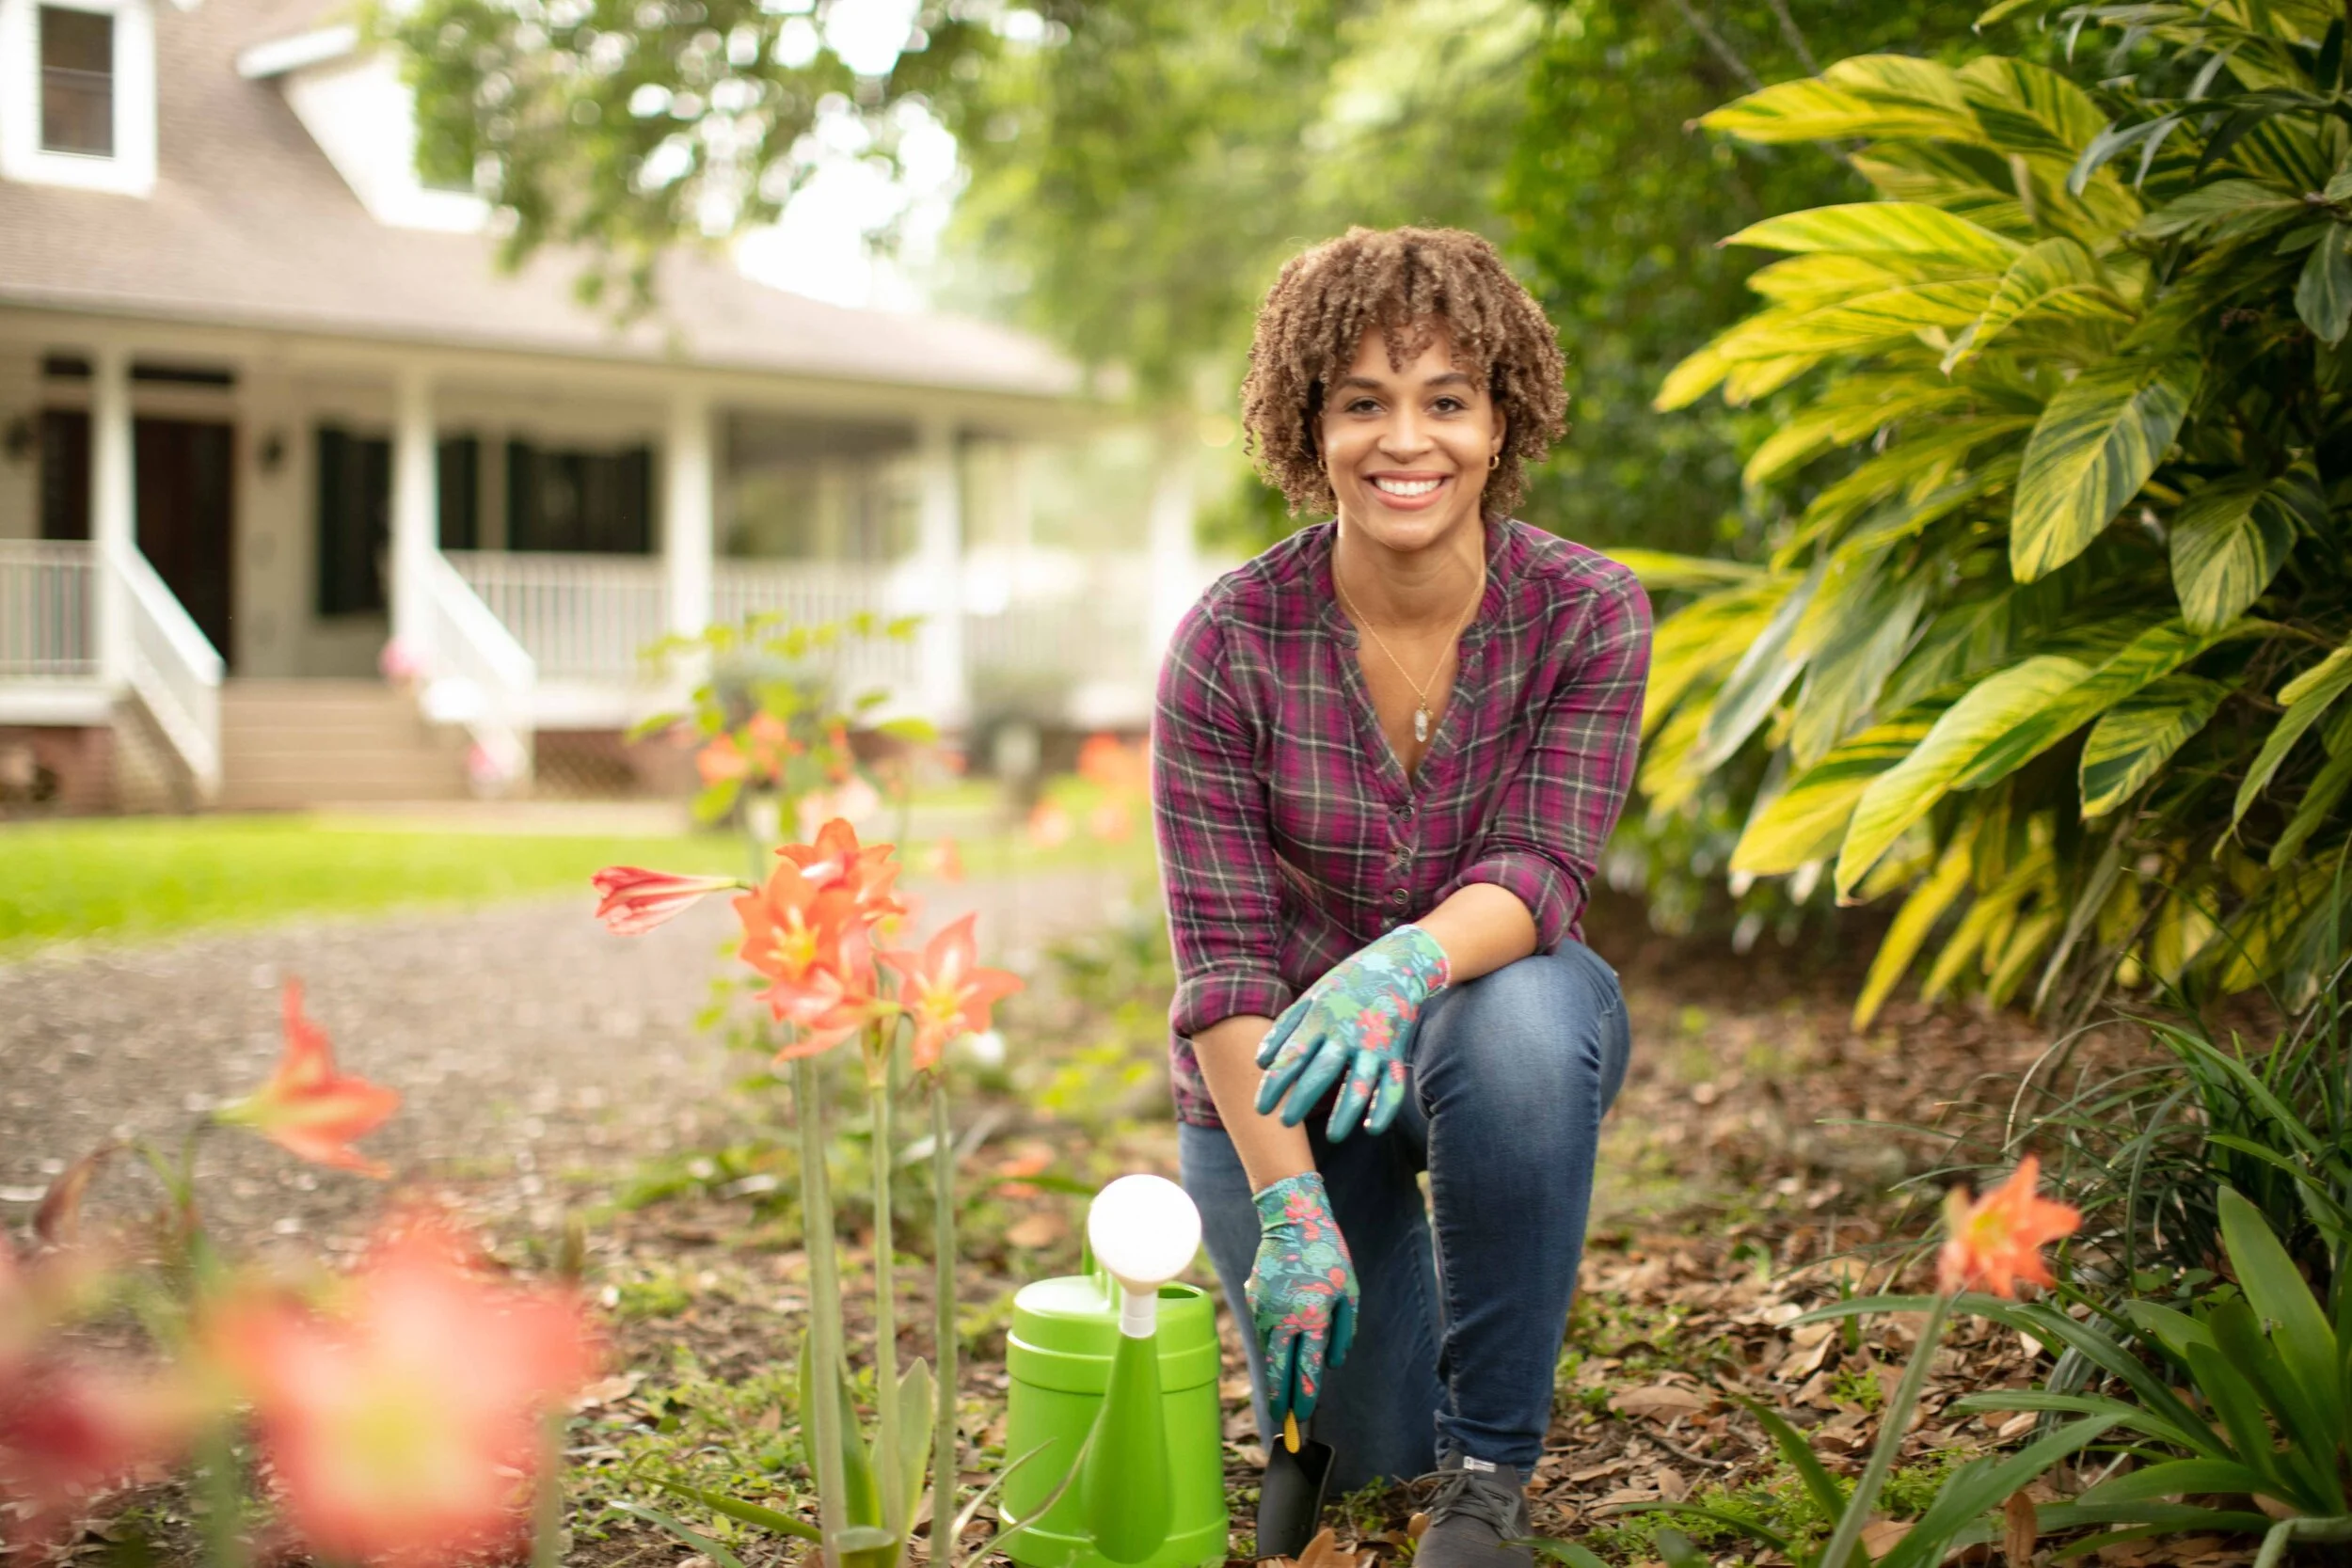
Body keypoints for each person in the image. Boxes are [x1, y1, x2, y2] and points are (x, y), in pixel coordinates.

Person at [1150, 227, 1650, 1568]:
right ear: (1307, 423)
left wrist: (1403, 966)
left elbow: (1544, 868)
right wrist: (1295, 1210)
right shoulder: (1227, 642)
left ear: (1502, 421)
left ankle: (1494, 1471)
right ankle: (1411, 1306)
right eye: (1362, 401)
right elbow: (1224, 970)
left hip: (1492, 1025)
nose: (1403, 441)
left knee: (1520, 1026)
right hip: (1286, 1079)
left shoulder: (1587, 613)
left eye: (1445, 400)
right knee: (1364, 1443)